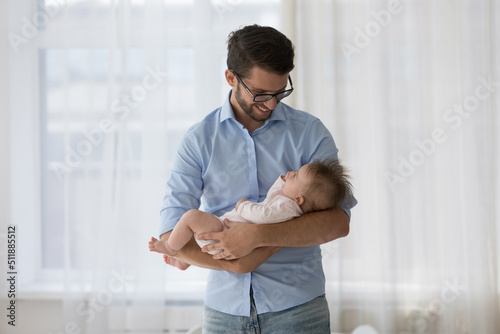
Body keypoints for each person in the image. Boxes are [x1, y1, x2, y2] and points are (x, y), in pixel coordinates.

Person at [158, 24, 357, 334]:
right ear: (230, 78)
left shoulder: (309, 132)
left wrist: (257, 238)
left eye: (280, 93)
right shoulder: (198, 140)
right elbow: (173, 234)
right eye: (261, 94)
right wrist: (233, 260)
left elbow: (337, 223)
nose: (271, 104)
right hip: (224, 313)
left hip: (299, 310)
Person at [149, 159, 352, 271]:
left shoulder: (286, 207)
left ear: (299, 199)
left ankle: (170, 247)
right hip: (226, 233)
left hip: (224, 232)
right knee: (193, 226)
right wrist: (287, 181)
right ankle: (184, 260)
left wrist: (244, 205)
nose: (290, 173)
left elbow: (263, 215)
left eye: (296, 175)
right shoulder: (289, 203)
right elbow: (276, 192)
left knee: (192, 217)